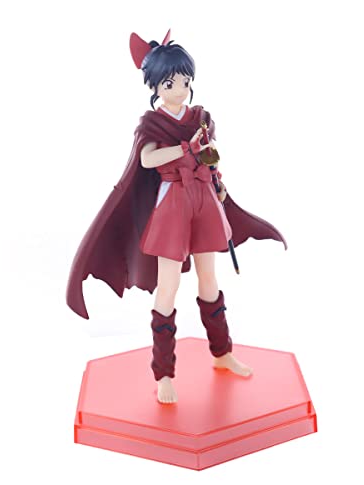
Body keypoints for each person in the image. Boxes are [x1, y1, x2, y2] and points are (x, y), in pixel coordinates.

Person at [66, 30, 287, 404]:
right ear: (155, 86)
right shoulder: (153, 124)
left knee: (209, 280)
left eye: (185, 81)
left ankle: (222, 352)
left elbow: (211, 155)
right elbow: (147, 159)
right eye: (170, 83)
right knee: (167, 288)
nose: (180, 89)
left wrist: (217, 180)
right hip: (172, 205)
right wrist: (185, 148)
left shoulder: (200, 118)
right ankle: (164, 374)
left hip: (204, 198)